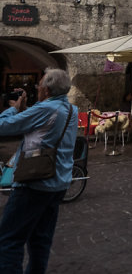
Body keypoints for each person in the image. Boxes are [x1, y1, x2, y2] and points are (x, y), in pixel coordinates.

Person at [0, 68, 77, 273]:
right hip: (58, 181)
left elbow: (3, 126)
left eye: (39, 84)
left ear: (47, 89)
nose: (37, 88)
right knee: (40, 240)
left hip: (34, 182)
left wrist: (14, 109)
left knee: (9, 240)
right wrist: (26, 110)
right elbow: (44, 128)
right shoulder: (71, 109)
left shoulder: (44, 109)